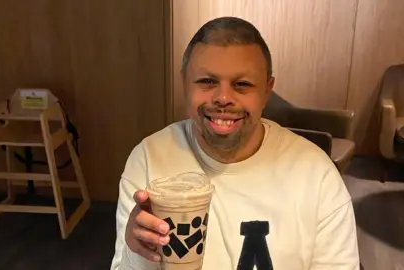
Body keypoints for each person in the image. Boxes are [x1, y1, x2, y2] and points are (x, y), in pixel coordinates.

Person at [110, 16, 359, 270]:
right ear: (184, 82)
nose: (223, 98)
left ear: (266, 91)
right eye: (207, 81)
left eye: (242, 84)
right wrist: (136, 250)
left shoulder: (317, 177)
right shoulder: (149, 159)